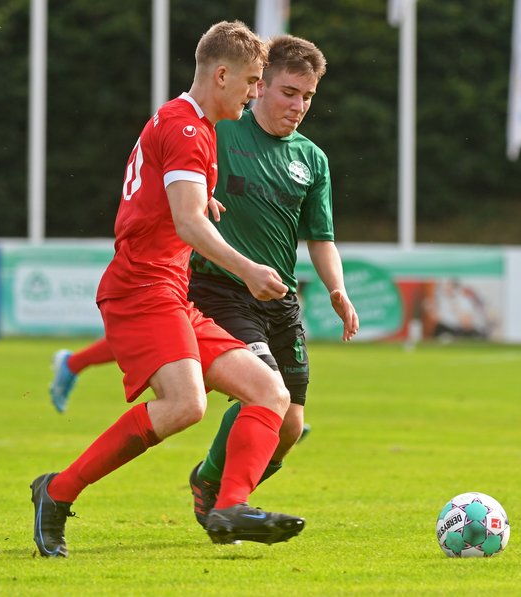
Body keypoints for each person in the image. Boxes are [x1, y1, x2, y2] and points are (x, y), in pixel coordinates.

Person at [31, 21, 304, 558]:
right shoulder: (187, 129)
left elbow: (174, 201)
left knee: (270, 392)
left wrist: (201, 203)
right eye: (252, 81)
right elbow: (187, 222)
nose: (255, 93)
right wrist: (248, 269)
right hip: (140, 289)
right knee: (184, 405)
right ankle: (57, 491)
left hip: (171, 291)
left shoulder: (189, 122)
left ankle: (230, 506)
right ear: (221, 75)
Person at [186, 33, 358, 530]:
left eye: (308, 96)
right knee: (265, 391)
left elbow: (321, 239)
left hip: (280, 300)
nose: (298, 106)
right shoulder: (221, 131)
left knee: (290, 427)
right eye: (289, 92)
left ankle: (209, 479)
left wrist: (337, 288)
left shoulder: (313, 159)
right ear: (260, 85)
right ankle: (228, 504)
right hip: (221, 289)